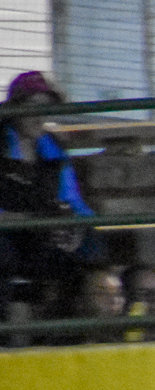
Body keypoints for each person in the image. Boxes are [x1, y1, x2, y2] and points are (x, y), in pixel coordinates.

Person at [2, 70, 101, 332]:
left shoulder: (52, 149)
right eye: (32, 106)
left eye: (45, 108)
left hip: (41, 234)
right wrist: (31, 220)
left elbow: (74, 201)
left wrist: (76, 227)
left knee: (90, 246)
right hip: (8, 235)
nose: (39, 116)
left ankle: (74, 329)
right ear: (15, 107)